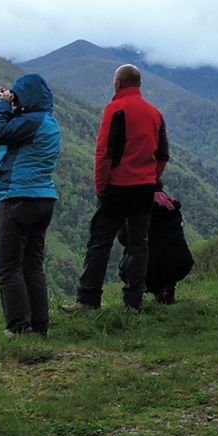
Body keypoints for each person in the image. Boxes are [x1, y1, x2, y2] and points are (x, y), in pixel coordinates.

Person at [64, 64, 170, 312]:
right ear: (138, 84)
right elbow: (163, 154)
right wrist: (151, 177)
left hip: (118, 187)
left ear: (119, 83)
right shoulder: (155, 113)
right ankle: (133, 302)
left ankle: (88, 299)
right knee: (139, 244)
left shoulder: (115, 109)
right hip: (145, 188)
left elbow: (104, 153)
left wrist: (102, 187)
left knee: (100, 242)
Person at [0, 73, 62, 336]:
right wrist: (11, 104)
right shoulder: (47, 122)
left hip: (18, 198)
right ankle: (39, 327)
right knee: (32, 265)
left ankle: (19, 328)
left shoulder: (30, 122)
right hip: (43, 199)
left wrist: (3, 104)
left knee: (7, 265)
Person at [118, 187, 194, 304]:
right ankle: (166, 289)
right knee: (163, 257)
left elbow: (123, 238)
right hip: (181, 263)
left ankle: (138, 298)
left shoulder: (137, 206)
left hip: (150, 264)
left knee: (135, 263)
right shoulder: (171, 206)